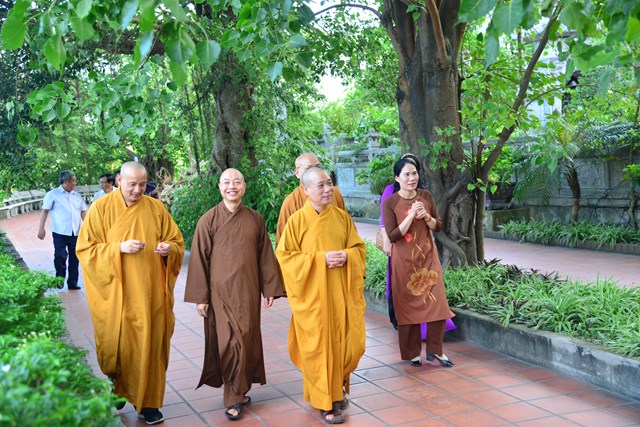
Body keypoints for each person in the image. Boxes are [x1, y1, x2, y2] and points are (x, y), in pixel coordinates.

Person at [76, 161, 185, 425]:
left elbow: (176, 241)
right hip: (117, 295)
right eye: (132, 184)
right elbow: (86, 250)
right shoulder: (100, 209)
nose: (138, 190)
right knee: (119, 347)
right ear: (119, 181)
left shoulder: (156, 208)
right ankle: (120, 388)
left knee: (150, 347)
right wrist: (118, 249)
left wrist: (168, 249)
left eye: (142, 184)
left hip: (150, 295)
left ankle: (149, 403)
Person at [184, 168, 283, 421]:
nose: (232, 186)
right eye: (226, 182)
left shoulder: (255, 219)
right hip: (219, 294)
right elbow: (198, 259)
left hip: (248, 291)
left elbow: (265, 255)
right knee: (228, 343)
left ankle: (239, 389)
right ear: (219, 187)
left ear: (244, 186)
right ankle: (233, 397)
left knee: (246, 340)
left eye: (237, 182)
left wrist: (269, 288)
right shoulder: (208, 220)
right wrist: (201, 297)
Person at [276, 167, 366, 425]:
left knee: (346, 345)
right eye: (321, 186)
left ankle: (337, 391)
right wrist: (320, 260)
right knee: (319, 349)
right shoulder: (296, 222)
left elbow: (358, 248)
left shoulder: (341, 217)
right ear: (305, 190)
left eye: (329, 184)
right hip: (313, 301)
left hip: (340, 296)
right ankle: (327, 403)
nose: (328, 190)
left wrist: (347, 256)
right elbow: (286, 258)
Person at [382, 157, 455, 368]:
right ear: (397, 178)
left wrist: (427, 217)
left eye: (414, 173)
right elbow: (393, 235)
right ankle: (412, 352)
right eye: (406, 174)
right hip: (404, 263)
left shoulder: (426, 196)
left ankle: (436, 350)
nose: (412, 178)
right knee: (408, 308)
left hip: (428, 259)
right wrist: (411, 215)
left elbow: (438, 225)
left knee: (437, 304)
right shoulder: (390, 202)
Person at [275, 153, 347, 246]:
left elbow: (348, 230)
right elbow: (284, 245)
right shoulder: (291, 202)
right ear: (297, 173)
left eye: (318, 167)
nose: (314, 172)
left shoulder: (334, 193)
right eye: (309, 169)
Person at [37, 170, 88, 290]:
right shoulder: (52, 194)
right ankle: (59, 279)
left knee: (75, 258)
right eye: (73, 181)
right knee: (60, 256)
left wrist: (89, 227)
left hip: (75, 232)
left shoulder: (76, 195)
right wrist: (41, 228)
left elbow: (83, 212)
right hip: (60, 232)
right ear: (65, 181)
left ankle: (73, 282)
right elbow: (45, 211)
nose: (75, 183)